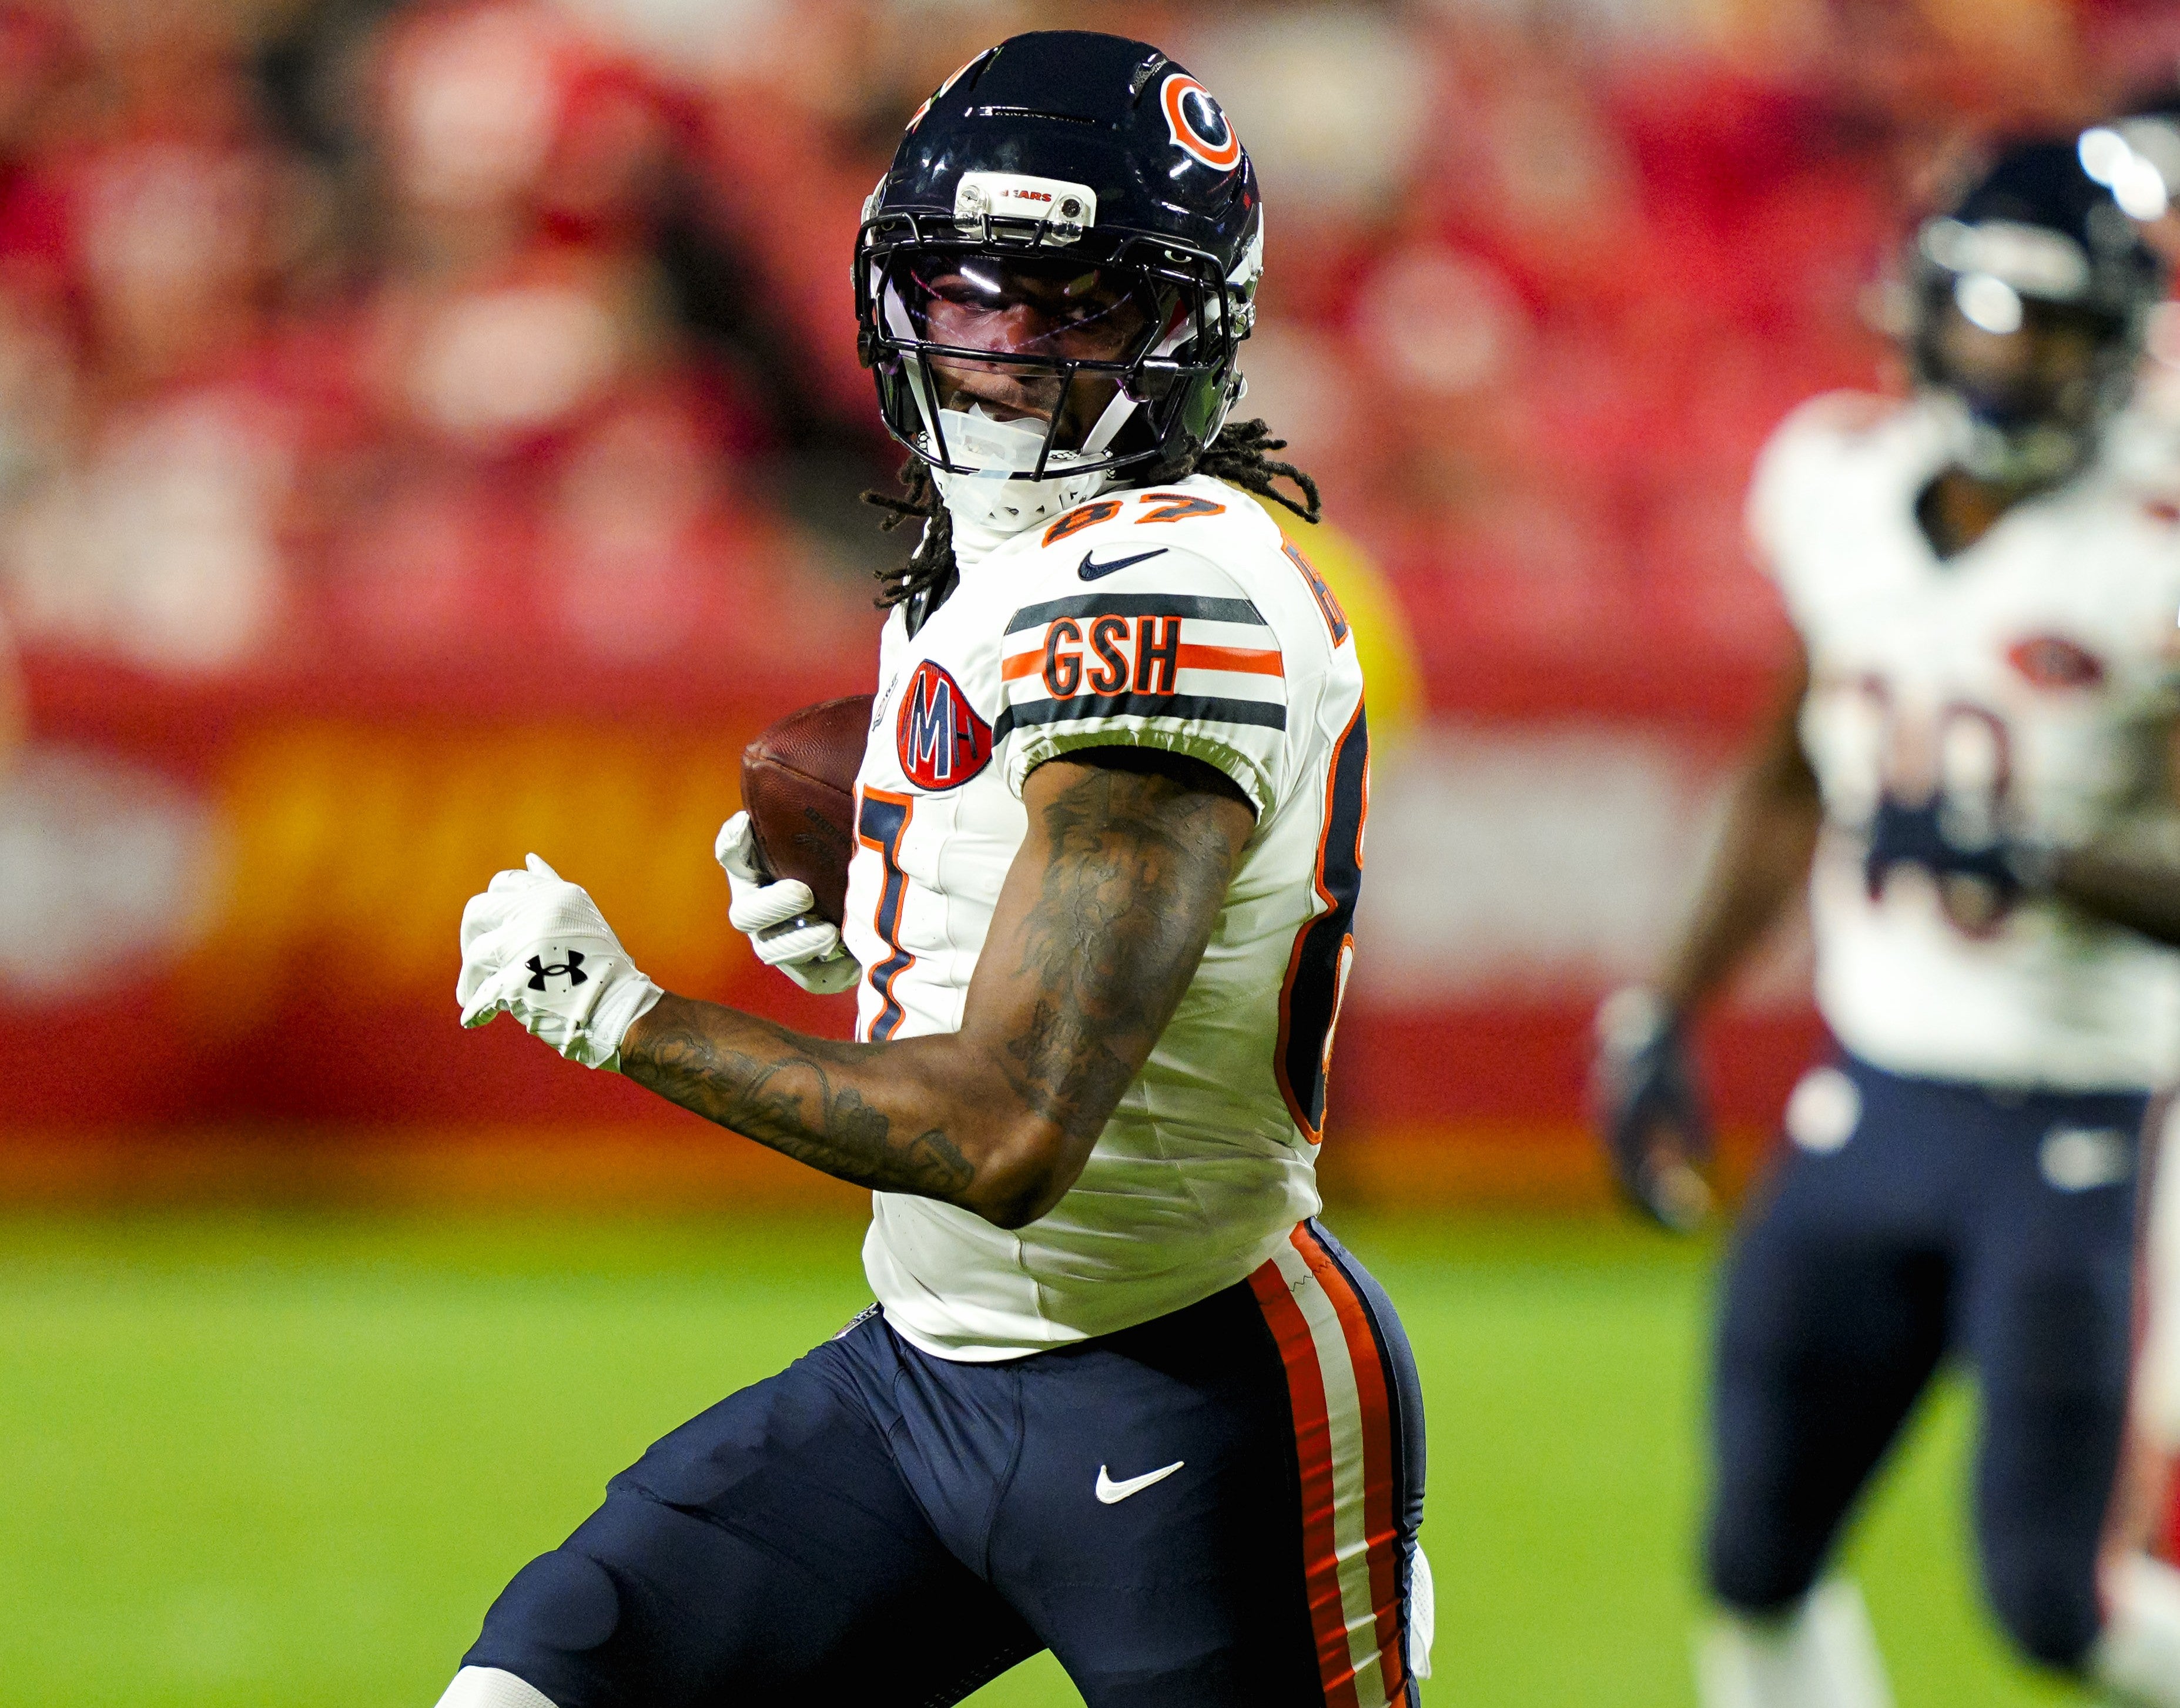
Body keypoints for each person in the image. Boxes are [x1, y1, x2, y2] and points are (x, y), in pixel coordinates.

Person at [443, 32, 1426, 1708]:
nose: (1005, 357)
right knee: (533, 1686)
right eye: (966, 297)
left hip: (1197, 1395)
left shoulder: (1175, 597)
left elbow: (1008, 1132)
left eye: (1076, 308)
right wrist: (890, 920)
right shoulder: (985, 561)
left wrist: (625, 1018)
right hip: (920, 1379)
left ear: (1193, 325)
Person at [1593, 135, 2180, 1707]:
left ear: (2118, 340)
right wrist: (1666, 1006)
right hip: (1877, 1095)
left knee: (2056, 1606)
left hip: (2093, 1117)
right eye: (1983, 312)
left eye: (2050, 323)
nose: (2008, 356)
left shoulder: (2152, 547)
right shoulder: (1838, 485)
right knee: (1754, 1558)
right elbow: (1794, 771)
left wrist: (2041, 862)